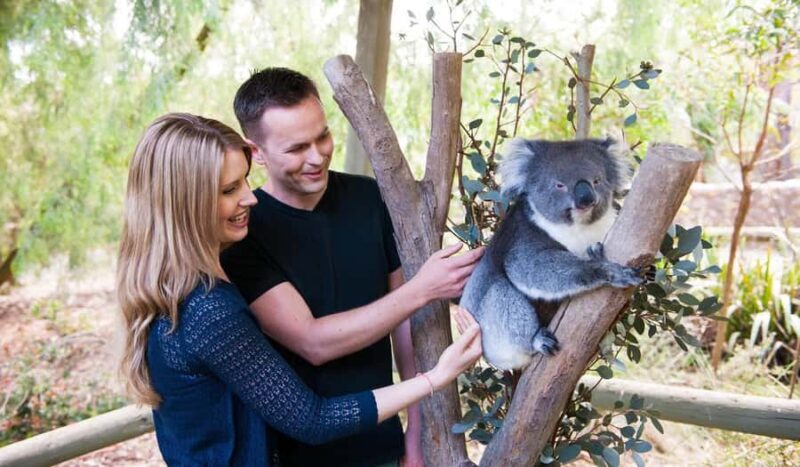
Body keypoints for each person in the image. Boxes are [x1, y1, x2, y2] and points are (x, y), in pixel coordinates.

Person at [117, 113, 482, 466]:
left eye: (244, 180)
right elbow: (313, 419)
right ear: (184, 204)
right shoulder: (208, 311)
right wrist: (435, 377)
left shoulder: (178, 289)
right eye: (229, 190)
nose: (250, 198)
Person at [221, 68, 484, 466]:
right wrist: (422, 289)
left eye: (322, 136)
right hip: (293, 454)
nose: (316, 156)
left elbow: (406, 324)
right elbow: (313, 343)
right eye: (296, 148)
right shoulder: (243, 233)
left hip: (381, 441)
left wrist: (417, 431)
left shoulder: (370, 199)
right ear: (254, 152)